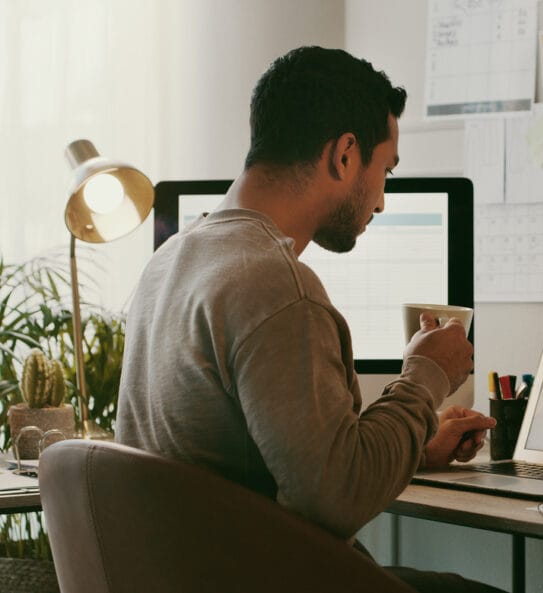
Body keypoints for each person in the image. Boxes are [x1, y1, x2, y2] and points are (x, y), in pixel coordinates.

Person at [115, 46, 502, 593]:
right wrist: (425, 377)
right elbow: (336, 500)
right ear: (345, 154)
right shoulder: (278, 286)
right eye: (384, 171)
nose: (384, 201)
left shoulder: (172, 258)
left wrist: (412, 445)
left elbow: (268, 466)